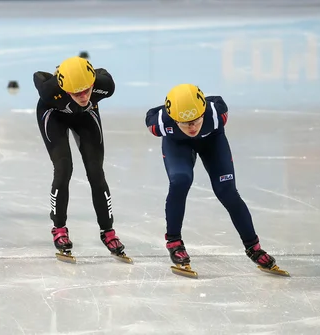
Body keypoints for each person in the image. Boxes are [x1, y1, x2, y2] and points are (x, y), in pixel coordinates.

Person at [144, 83, 288, 277]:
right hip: (178, 145)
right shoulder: (160, 123)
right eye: (185, 123)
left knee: (227, 191)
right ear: (174, 119)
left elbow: (215, 100)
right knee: (180, 181)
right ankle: (174, 242)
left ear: (203, 111)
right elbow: (153, 112)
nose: (192, 127)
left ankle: (254, 247)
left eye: (196, 120)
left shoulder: (216, 114)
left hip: (212, 140)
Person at [33, 56, 131, 263]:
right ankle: (59, 228)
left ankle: (108, 231)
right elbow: (38, 76)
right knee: (63, 168)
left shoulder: (105, 86)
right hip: (53, 116)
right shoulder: (50, 90)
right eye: (77, 93)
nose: (84, 96)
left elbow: (102, 71)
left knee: (96, 172)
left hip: (86, 117)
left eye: (87, 90)